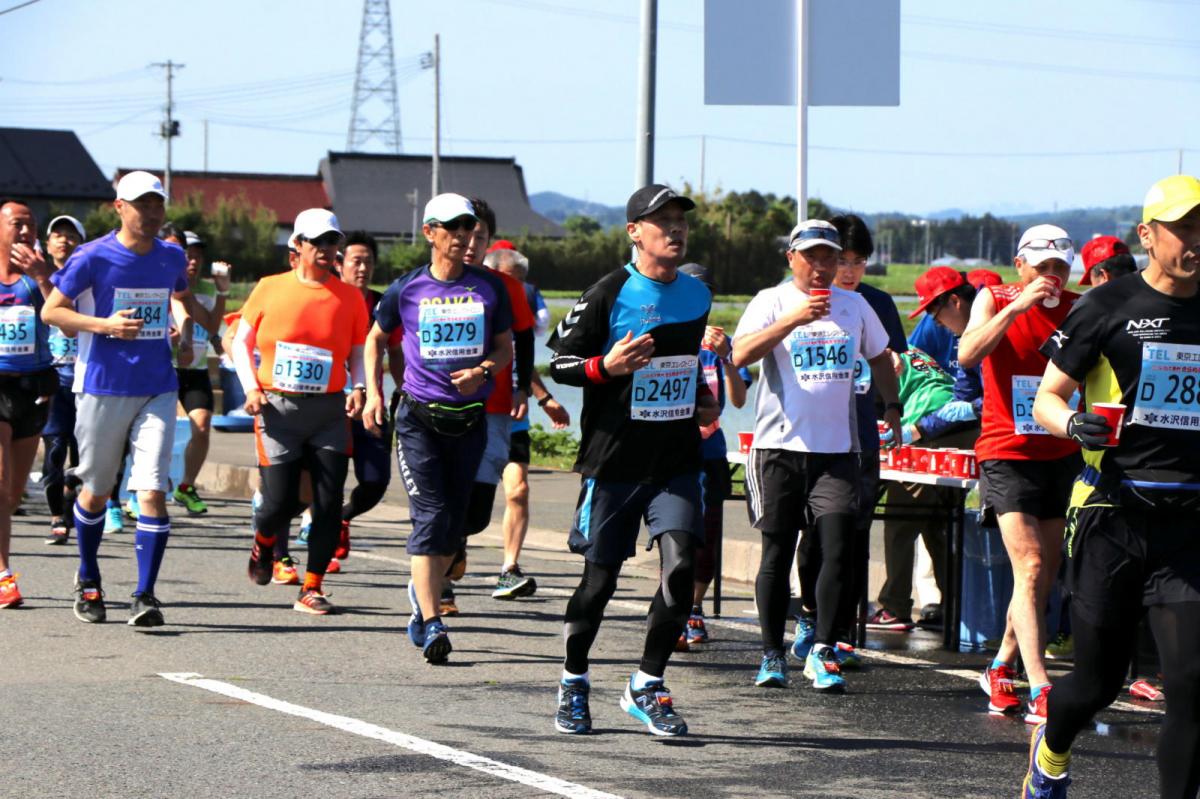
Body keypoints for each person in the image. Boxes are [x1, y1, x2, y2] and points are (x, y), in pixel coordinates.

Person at [1023, 174, 1200, 799]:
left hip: (1189, 524)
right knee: (1096, 684)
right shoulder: (1106, 306)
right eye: (1183, 227)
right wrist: (1074, 423)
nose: (1196, 240)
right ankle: (1052, 747)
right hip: (1111, 515)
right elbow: (1046, 397)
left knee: (1191, 683)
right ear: (1148, 236)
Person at [548, 184, 716, 737]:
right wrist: (606, 367)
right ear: (634, 232)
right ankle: (574, 681)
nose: (675, 228)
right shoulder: (608, 291)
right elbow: (561, 365)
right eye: (661, 220)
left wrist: (699, 396)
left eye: (680, 221)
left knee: (682, 570)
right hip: (614, 463)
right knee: (599, 584)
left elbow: (682, 363)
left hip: (675, 460)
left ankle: (647, 684)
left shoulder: (695, 295)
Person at [732, 219, 902, 693]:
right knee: (777, 551)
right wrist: (795, 319)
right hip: (778, 449)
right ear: (792, 258)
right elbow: (740, 354)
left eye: (831, 257)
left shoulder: (855, 305)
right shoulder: (771, 301)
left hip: (839, 450)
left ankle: (823, 649)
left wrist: (892, 408)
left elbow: (882, 356)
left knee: (838, 543)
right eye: (813, 257)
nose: (823, 266)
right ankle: (771, 653)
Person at [41, 171, 199, 627]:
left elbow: (181, 299)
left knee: (151, 490)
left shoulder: (171, 255)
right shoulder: (92, 257)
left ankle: (145, 594)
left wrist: (184, 329)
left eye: (157, 204)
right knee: (97, 490)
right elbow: (52, 311)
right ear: (119, 207)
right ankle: (89, 578)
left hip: (158, 386)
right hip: (101, 387)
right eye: (141, 204)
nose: (151, 213)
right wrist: (106, 325)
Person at [362, 193, 513, 664]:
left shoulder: (490, 288)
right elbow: (375, 338)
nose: (462, 237)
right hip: (419, 420)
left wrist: (484, 371)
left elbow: (506, 348)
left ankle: (421, 599)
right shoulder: (406, 289)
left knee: (456, 524)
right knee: (430, 516)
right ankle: (432, 622)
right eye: (451, 228)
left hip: (468, 421)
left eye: (468, 228)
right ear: (429, 233)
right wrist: (373, 393)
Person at [957, 223, 1082, 724]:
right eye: (1042, 266)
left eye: (1060, 267)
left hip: (1062, 449)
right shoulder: (994, 297)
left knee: (1043, 577)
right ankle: (1042, 686)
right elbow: (967, 354)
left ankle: (1000, 666)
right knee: (1029, 567)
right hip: (1007, 452)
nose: (1051, 276)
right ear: (1021, 265)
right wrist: (1017, 307)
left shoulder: (1079, 306)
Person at [232, 208, 368, 615]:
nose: (327, 250)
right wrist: (251, 388)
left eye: (332, 242)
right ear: (298, 246)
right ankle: (265, 540)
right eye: (318, 242)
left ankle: (312, 586)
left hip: (328, 409)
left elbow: (359, 349)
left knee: (328, 502)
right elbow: (241, 342)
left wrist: (359, 386)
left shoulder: (349, 296)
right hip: (277, 408)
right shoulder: (269, 288)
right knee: (279, 502)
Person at [794, 214, 906, 659]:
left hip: (860, 434)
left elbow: (891, 358)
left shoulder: (873, 303)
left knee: (853, 534)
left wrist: (894, 374)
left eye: (859, 262)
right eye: (843, 260)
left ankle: (840, 633)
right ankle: (808, 615)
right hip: (809, 438)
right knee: (813, 535)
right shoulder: (799, 301)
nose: (849, 271)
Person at [866, 267, 984, 632]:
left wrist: (917, 429)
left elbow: (973, 403)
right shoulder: (958, 334)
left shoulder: (979, 330)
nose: (937, 324)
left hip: (952, 430)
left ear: (954, 300)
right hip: (958, 428)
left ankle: (894, 606)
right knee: (937, 521)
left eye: (936, 314)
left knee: (902, 512)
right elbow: (962, 395)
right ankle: (955, 607)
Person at [437, 197, 535, 614]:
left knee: (476, 510)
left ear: (490, 241)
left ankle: (457, 541)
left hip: (493, 405)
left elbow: (525, 337)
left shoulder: (506, 287)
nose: (471, 243)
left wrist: (523, 390)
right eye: (464, 234)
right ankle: (439, 587)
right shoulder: (435, 282)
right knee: (442, 495)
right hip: (439, 406)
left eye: (479, 236)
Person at [484, 244, 570, 599]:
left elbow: (523, 362)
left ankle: (509, 567)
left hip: (512, 417)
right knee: (467, 501)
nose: (515, 290)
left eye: (519, 283)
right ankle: (447, 560)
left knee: (518, 490)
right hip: (472, 414)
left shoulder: (519, 311)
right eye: (508, 282)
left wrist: (543, 398)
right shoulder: (478, 308)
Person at [673, 262, 751, 649]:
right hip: (672, 450)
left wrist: (728, 358)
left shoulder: (722, 341)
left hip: (711, 451)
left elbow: (737, 399)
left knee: (708, 536)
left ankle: (695, 608)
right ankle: (673, 607)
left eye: (705, 293)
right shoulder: (668, 333)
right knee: (675, 533)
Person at [0, 200, 57, 608]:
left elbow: (60, 314)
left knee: (14, 493)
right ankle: (3, 573)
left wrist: (41, 276)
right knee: (0, 484)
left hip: (33, 389)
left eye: (31, 226)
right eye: (17, 224)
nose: (25, 232)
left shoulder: (40, 276)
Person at [324, 230, 392, 577]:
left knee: (376, 481)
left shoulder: (384, 305)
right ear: (340, 264)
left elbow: (397, 353)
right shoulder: (329, 299)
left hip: (373, 406)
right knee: (330, 480)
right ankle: (322, 547)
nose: (362, 268)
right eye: (356, 261)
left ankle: (343, 517)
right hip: (332, 406)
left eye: (368, 261)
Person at [170, 229, 231, 516]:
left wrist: (222, 291)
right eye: (187, 256)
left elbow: (210, 325)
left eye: (197, 257)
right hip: (164, 367)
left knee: (203, 426)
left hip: (194, 369)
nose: (193, 262)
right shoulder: (162, 284)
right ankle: (140, 489)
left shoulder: (205, 291)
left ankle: (185, 486)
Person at [40, 215, 86, 546]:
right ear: (47, 244)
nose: (64, 240)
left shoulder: (90, 280)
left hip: (86, 378)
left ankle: (72, 498)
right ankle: (58, 517)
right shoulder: (33, 280)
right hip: (52, 378)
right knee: (55, 447)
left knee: (84, 456)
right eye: (58, 235)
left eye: (71, 236)